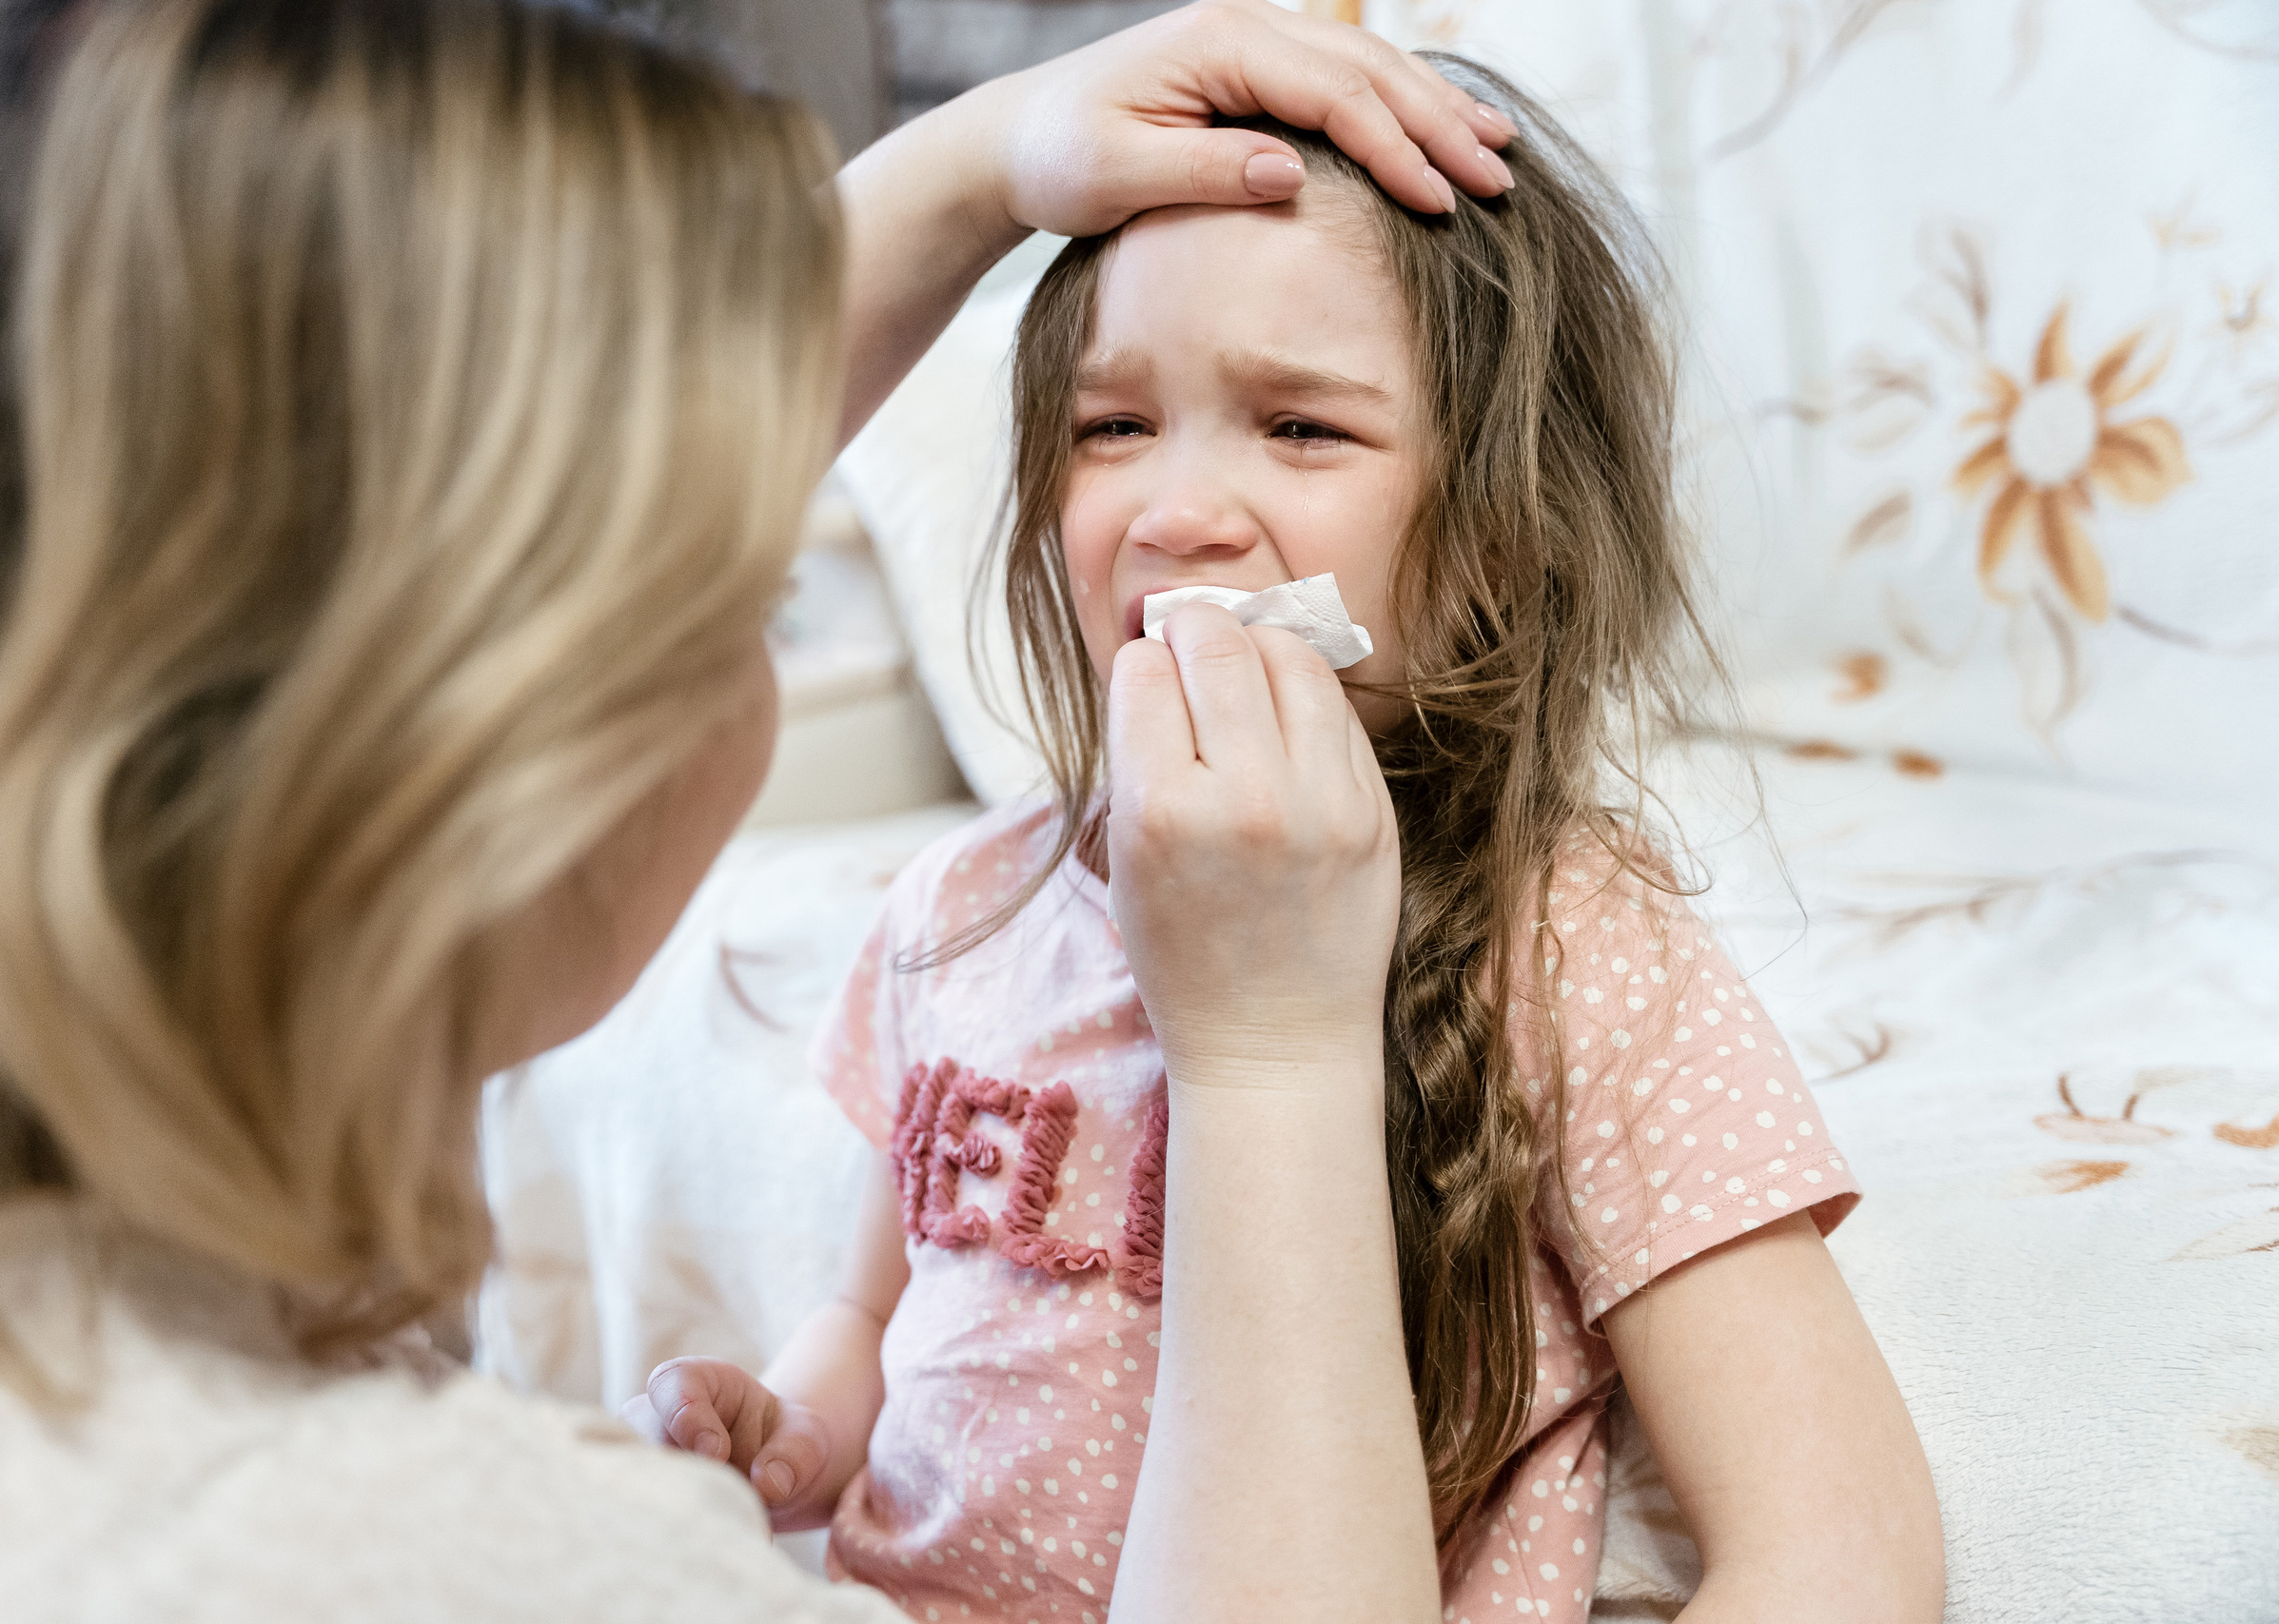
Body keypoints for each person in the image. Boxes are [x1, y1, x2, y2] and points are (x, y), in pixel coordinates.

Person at [0, 2, 1522, 1619]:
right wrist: (1276, 1060)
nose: (1181, 513)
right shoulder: (476, 1557)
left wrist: (984, 158)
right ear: (482, 750)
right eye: (745, 586)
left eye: (1301, 426)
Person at [637, 60, 1947, 1624]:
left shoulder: (1572, 947)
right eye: (1113, 424)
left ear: (1501, 546)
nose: (1178, 510)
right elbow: (876, 1310)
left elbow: (1842, 1555)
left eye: (1303, 428)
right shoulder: (961, 905)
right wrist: (795, 1430)